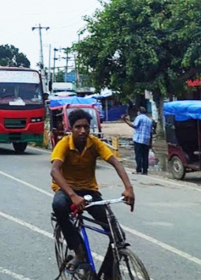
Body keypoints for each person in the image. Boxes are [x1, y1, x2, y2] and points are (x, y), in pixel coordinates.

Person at [51, 109, 135, 278]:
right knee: (59, 205)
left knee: (117, 235)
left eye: (86, 127)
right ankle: (79, 253)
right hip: (67, 190)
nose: (83, 131)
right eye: (78, 127)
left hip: (89, 191)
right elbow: (54, 171)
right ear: (71, 128)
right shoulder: (64, 144)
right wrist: (72, 195)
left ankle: (108, 273)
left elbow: (116, 163)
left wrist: (129, 188)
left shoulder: (94, 143)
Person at [123, 107, 154, 175]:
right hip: (146, 140)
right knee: (145, 156)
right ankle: (145, 171)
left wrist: (126, 121)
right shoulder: (149, 120)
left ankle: (139, 170)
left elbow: (134, 125)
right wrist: (150, 142)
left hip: (138, 139)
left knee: (138, 155)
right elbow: (151, 132)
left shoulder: (139, 117)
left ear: (139, 112)